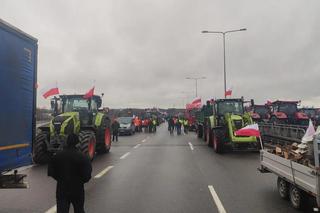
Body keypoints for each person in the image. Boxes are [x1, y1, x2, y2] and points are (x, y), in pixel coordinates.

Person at [48, 134, 92, 213]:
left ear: (66, 142)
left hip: (62, 189)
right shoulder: (83, 157)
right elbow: (87, 175)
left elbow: (51, 172)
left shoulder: (57, 156)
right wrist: (80, 181)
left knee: (62, 210)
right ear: (78, 143)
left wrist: (60, 179)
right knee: (79, 210)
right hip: (78, 189)